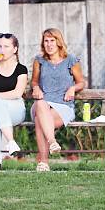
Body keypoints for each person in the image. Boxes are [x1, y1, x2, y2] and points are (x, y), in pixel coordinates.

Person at [30, 28, 85, 172]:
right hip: (43, 103)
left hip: (63, 106)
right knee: (41, 104)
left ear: (58, 42)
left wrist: (73, 88)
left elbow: (81, 82)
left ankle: (44, 162)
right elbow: (34, 82)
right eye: (46, 41)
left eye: (52, 41)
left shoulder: (71, 60)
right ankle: (52, 141)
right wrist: (35, 88)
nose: (49, 44)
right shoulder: (39, 61)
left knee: (39, 121)